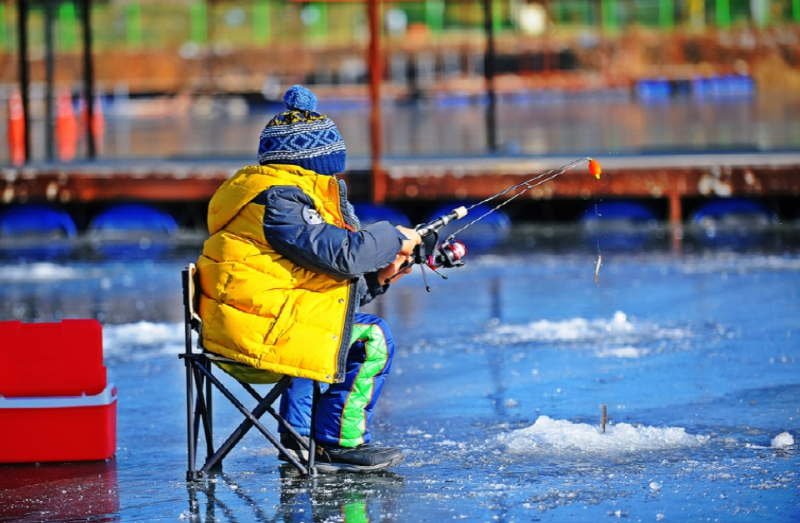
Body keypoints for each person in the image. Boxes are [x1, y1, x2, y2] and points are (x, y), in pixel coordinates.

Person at [196, 85, 420, 472]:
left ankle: (299, 436)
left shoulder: (262, 195)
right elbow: (346, 255)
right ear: (315, 161)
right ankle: (337, 443)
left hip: (258, 323)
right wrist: (394, 236)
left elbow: (318, 290)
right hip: (254, 335)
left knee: (320, 331)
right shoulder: (280, 200)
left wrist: (380, 278)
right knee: (373, 337)